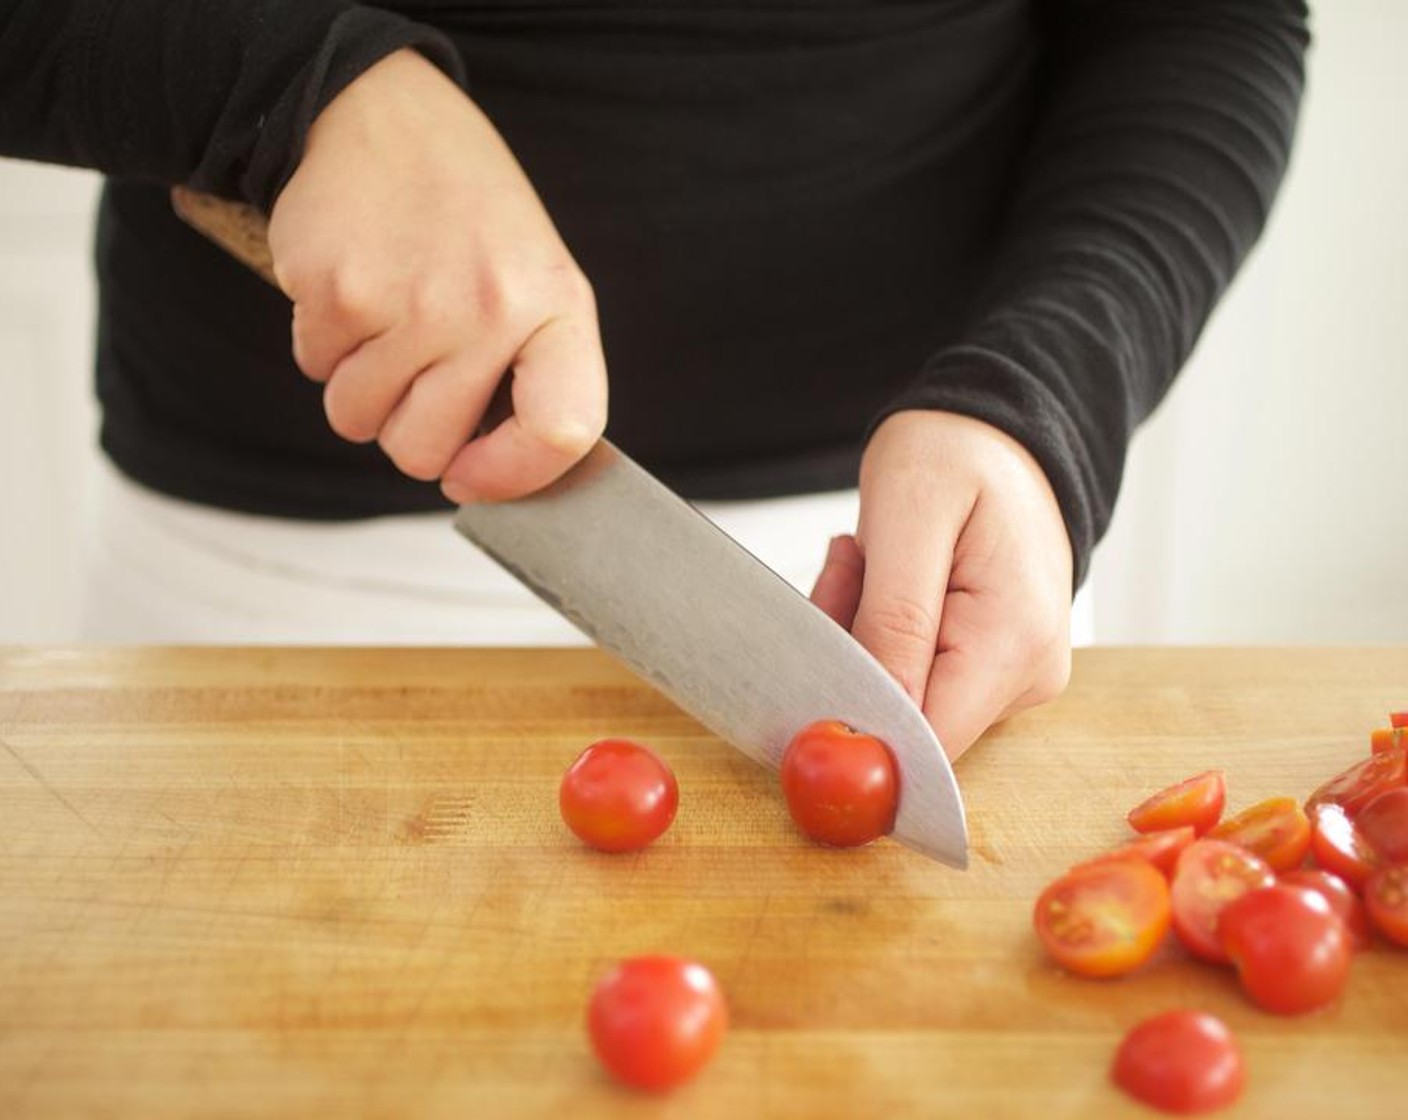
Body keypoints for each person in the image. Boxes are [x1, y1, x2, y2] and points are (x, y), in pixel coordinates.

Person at [0, 2, 1309, 760]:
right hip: (270, 580)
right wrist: (281, 81)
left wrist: (1047, 394)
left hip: (913, 567)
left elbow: (1199, 17)